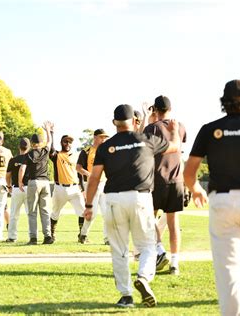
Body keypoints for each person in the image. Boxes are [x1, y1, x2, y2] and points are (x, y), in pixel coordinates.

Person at [183, 79, 240, 316]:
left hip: (223, 202)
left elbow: (189, 173)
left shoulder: (210, 129)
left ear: (224, 101)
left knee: (229, 271)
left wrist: (196, 189)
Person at [84, 104, 180, 308]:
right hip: (141, 198)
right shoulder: (146, 140)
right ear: (134, 122)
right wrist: (173, 131)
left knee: (118, 250)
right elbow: (174, 147)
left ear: (114, 123)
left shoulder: (105, 147)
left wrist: (89, 205)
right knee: (147, 247)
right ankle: (144, 278)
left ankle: (126, 296)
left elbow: (94, 179)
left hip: (113, 200)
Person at [143, 96, 187, 275]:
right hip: (176, 180)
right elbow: (179, 150)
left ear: (155, 109)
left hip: (156, 179)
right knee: (173, 223)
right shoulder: (181, 127)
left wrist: (147, 118)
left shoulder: (152, 127)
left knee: (148, 219)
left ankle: (160, 251)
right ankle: (175, 263)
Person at [19, 121, 54, 245]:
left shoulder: (28, 154)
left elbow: (22, 168)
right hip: (45, 182)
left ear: (32, 143)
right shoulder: (45, 151)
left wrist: (20, 182)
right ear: (40, 143)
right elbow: (49, 142)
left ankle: (33, 238)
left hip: (34, 182)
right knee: (45, 210)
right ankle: (48, 236)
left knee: (32, 211)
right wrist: (48, 130)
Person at [49, 134, 86, 242]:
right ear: (61, 143)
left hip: (74, 188)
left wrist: (83, 189)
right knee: (55, 213)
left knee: (82, 212)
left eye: (70, 142)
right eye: (65, 141)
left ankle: (82, 236)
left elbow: (80, 174)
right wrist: (51, 132)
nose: (68, 144)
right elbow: (50, 149)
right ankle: (52, 235)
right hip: (60, 188)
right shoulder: (57, 155)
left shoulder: (75, 156)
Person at [76, 129, 110, 244]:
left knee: (107, 213)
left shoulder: (106, 151)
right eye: (102, 137)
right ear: (95, 137)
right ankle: (83, 234)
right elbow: (78, 167)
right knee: (93, 212)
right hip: (92, 184)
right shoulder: (86, 151)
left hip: (104, 184)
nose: (104, 139)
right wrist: (88, 174)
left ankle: (107, 238)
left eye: (105, 137)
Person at [6, 137, 31, 242]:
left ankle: (12, 237)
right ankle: (32, 236)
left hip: (16, 188)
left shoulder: (13, 160)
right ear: (29, 147)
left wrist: (9, 186)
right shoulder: (31, 158)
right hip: (29, 188)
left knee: (14, 214)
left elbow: (7, 175)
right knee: (31, 214)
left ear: (18, 147)